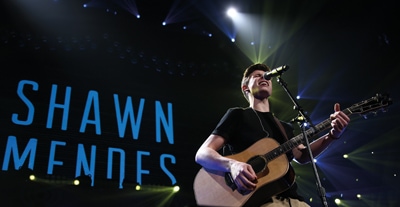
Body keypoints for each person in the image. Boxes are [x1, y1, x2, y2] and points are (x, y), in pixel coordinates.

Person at [194, 63, 350, 207]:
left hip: (295, 201)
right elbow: (202, 154)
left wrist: (332, 135)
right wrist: (233, 165)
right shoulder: (238, 115)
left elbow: (302, 155)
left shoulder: (284, 127)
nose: (264, 77)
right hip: (260, 202)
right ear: (245, 88)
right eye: (257, 75)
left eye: (267, 75)